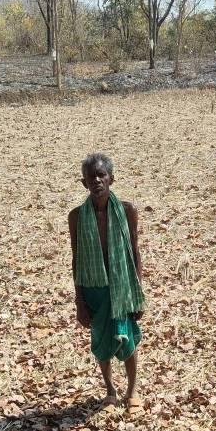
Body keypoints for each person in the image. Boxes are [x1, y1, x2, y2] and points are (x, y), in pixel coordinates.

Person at [68, 153, 145, 414]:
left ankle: (132, 391)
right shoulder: (77, 217)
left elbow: (135, 252)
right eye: (91, 177)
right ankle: (110, 391)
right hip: (94, 288)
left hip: (122, 287)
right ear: (84, 183)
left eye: (102, 175)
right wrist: (79, 301)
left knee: (127, 339)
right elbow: (76, 258)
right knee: (101, 342)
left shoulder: (127, 210)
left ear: (112, 178)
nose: (97, 180)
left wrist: (138, 293)